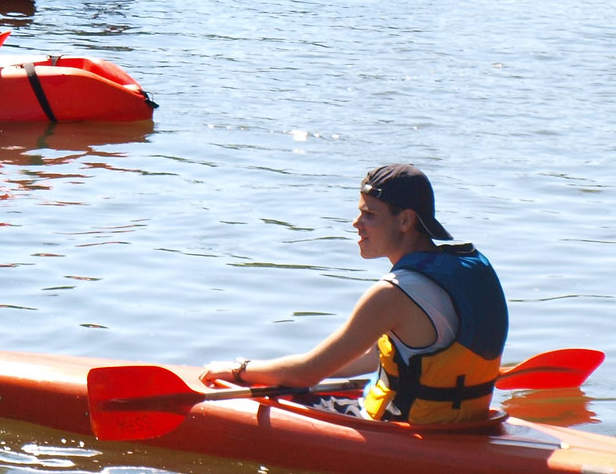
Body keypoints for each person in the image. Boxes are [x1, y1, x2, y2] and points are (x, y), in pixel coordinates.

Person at [201, 165, 509, 425]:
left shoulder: (392, 294)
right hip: (467, 424)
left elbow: (306, 372)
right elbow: (387, 358)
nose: (356, 224)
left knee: (287, 400)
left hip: (408, 428)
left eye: (369, 214)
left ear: (405, 220)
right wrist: (304, 374)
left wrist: (240, 370)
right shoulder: (467, 268)